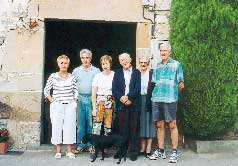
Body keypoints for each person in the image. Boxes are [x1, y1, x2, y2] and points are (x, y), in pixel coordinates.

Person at [148, 43, 184, 163]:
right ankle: (161, 151)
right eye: (161, 50)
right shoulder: (157, 66)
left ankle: (174, 152)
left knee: (172, 125)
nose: (163, 52)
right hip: (157, 99)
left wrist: (173, 94)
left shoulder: (176, 64)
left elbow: (181, 85)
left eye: (165, 50)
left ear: (170, 52)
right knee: (159, 126)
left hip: (170, 100)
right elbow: (153, 83)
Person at [44, 55, 78, 159]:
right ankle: (58, 151)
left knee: (70, 127)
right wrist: (52, 101)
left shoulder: (72, 77)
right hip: (57, 105)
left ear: (68, 64)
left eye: (66, 63)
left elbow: (76, 91)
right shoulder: (53, 76)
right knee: (57, 126)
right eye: (62, 63)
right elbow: (46, 90)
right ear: (58, 64)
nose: (64, 65)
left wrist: (74, 102)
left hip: (69, 106)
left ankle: (68, 151)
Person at [112, 53, 141, 161]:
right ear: (120, 62)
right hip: (121, 105)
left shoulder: (136, 72)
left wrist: (129, 97)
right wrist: (122, 98)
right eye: (122, 60)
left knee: (134, 129)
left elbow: (137, 88)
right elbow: (114, 89)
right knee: (122, 129)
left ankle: (133, 152)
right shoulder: (118, 73)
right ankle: (121, 151)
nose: (124, 61)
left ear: (130, 59)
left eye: (126, 59)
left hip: (134, 105)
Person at [72, 49, 100, 153]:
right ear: (80, 59)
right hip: (79, 99)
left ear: (91, 58)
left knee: (90, 124)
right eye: (83, 58)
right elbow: (72, 86)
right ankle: (80, 144)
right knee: (80, 124)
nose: (85, 60)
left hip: (92, 99)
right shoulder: (76, 71)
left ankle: (90, 145)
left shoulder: (96, 71)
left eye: (87, 57)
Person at [91, 55, 115, 158]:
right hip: (99, 101)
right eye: (103, 63)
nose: (105, 65)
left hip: (110, 101)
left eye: (107, 63)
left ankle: (105, 149)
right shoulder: (97, 76)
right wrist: (94, 108)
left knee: (108, 127)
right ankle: (94, 150)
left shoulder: (114, 75)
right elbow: (93, 93)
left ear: (110, 64)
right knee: (96, 127)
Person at [138, 56, 156, 158]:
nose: (143, 64)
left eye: (145, 62)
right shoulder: (136, 74)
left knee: (149, 123)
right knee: (141, 123)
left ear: (148, 64)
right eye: (141, 62)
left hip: (149, 100)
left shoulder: (151, 74)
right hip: (139, 100)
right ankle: (142, 147)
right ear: (139, 63)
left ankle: (148, 148)